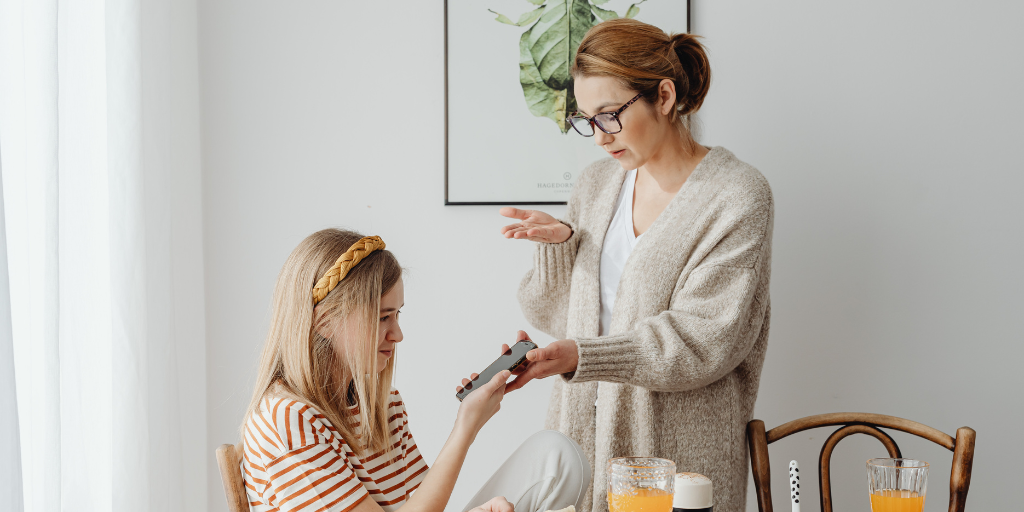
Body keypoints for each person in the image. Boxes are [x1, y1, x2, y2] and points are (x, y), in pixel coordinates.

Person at [499, 19, 774, 512]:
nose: (599, 137)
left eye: (608, 115)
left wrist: (583, 358)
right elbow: (556, 319)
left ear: (664, 97)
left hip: (680, 464)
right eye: (586, 119)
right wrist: (562, 246)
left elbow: (704, 341)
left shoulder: (736, 196)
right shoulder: (596, 186)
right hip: (579, 451)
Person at [240, 229, 590, 512]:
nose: (398, 335)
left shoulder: (384, 404)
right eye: (382, 317)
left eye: (398, 314)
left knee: (555, 455)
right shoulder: (288, 420)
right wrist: (466, 426)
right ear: (325, 322)